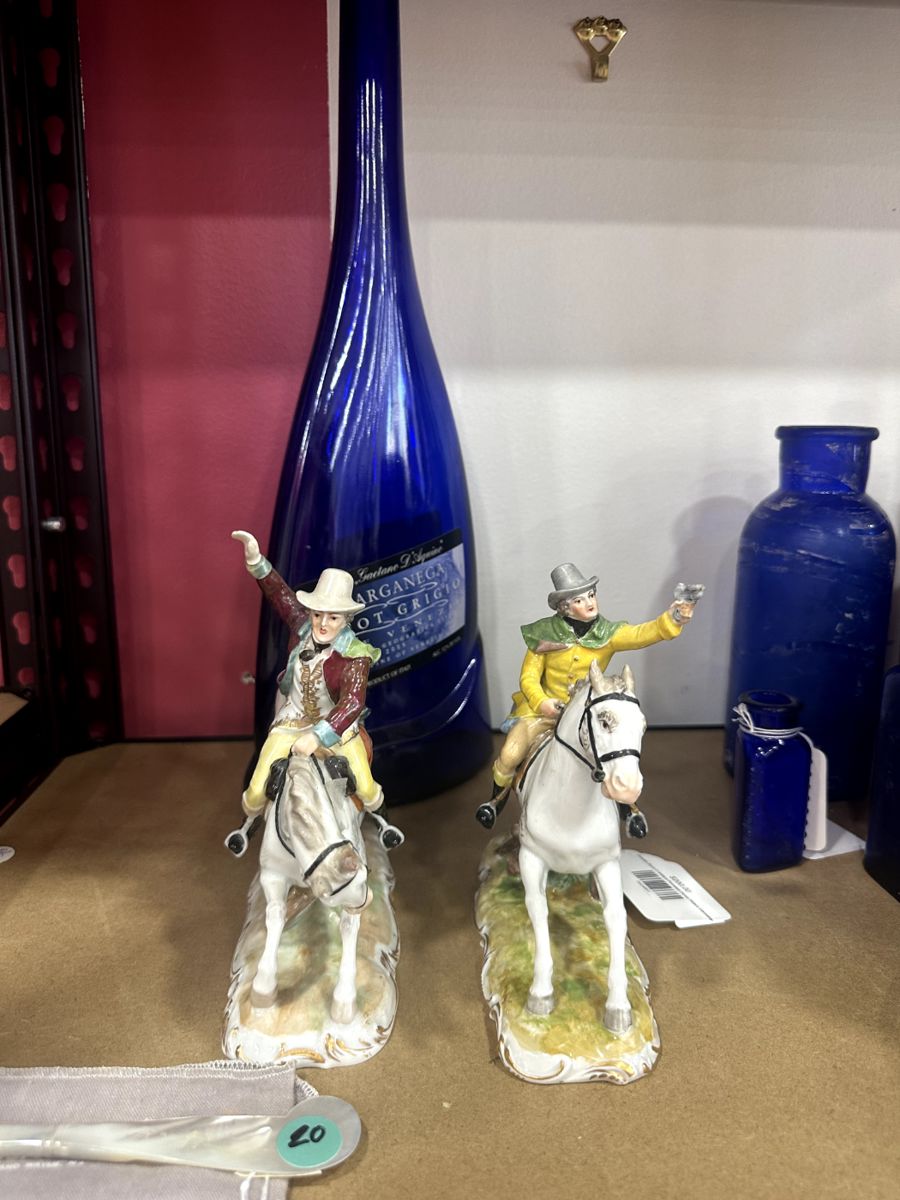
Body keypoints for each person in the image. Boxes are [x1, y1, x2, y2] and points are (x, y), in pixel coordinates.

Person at [476, 563, 703, 835]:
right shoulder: (542, 635)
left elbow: (642, 633)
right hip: (544, 711)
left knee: (612, 749)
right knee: (510, 753)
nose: (590, 602)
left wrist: (673, 618)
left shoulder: (607, 633)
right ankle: (496, 799)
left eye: (592, 595)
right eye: (580, 600)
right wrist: (542, 702)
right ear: (565, 608)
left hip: (587, 710)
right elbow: (528, 678)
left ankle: (627, 807)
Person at [229, 530, 403, 853]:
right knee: (254, 789)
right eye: (318, 614)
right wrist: (256, 561)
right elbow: (279, 595)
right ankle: (248, 825)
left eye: (332, 617)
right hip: (292, 721)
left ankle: (383, 822)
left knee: (366, 786)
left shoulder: (356, 655)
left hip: (336, 730)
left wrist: (319, 736)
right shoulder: (302, 628)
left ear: (346, 619)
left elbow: (352, 703)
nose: (323, 623)